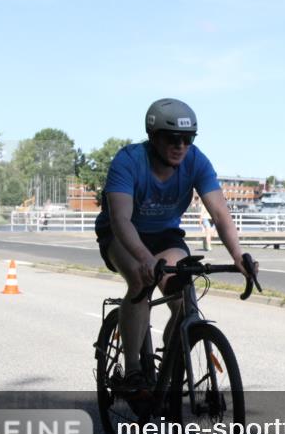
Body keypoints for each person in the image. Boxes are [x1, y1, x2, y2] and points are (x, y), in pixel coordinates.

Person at [95, 98, 256, 391]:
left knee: (183, 295)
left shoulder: (196, 160)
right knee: (140, 280)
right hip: (122, 233)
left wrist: (238, 255)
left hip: (165, 235)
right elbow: (120, 219)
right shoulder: (128, 161)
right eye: (173, 138)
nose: (181, 146)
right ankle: (133, 372)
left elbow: (220, 212)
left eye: (188, 138)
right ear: (153, 136)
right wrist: (144, 258)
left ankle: (168, 364)